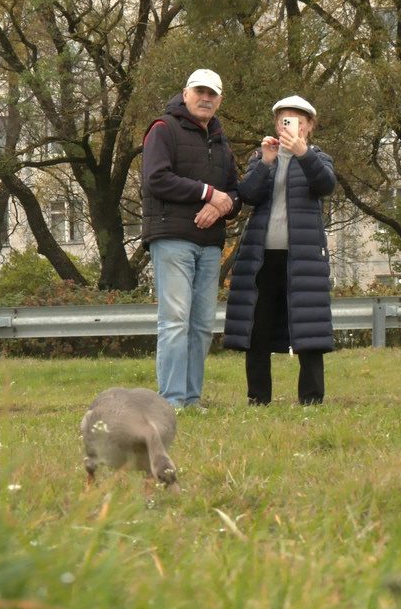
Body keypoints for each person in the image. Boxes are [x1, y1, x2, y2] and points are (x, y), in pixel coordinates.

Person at [223, 95, 337, 405]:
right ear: (277, 124)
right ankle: (258, 398)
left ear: (309, 127)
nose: (291, 127)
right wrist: (266, 163)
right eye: (286, 120)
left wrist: (303, 155)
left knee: (309, 327)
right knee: (257, 327)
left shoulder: (318, 157)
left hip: (303, 257)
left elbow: (326, 185)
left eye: (299, 122)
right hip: (262, 258)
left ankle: (312, 399)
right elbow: (247, 194)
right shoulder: (262, 157)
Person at [140, 69, 241, 408]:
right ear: (186, 93)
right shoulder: (163, 129)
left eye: (212, 93)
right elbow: (156, 178)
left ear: (220, 100)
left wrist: (219, 207)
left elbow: (235, 194)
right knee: (175, 321)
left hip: (210, 244)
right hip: (172, 240)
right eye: (200, 91)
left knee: (200, 326)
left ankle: (192, 400)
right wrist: (208, 194)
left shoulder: (221, 142)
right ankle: (171, 402)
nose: (206, 98)